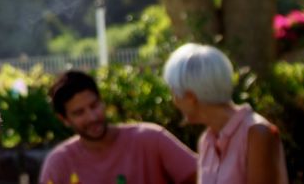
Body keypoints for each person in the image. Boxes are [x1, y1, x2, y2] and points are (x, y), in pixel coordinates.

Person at [40, 69, 197, 184]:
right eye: (79, 113)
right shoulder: (59, 164)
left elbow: (203, 177)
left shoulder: (150, 139)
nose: (92, 117)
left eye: (94, 106)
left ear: (102, 101)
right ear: (64, 119)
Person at [163, 43, 289, 184]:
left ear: (190, 96)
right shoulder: (206, 141)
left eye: (174, 93)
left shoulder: (256, 133)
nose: (174, 101)